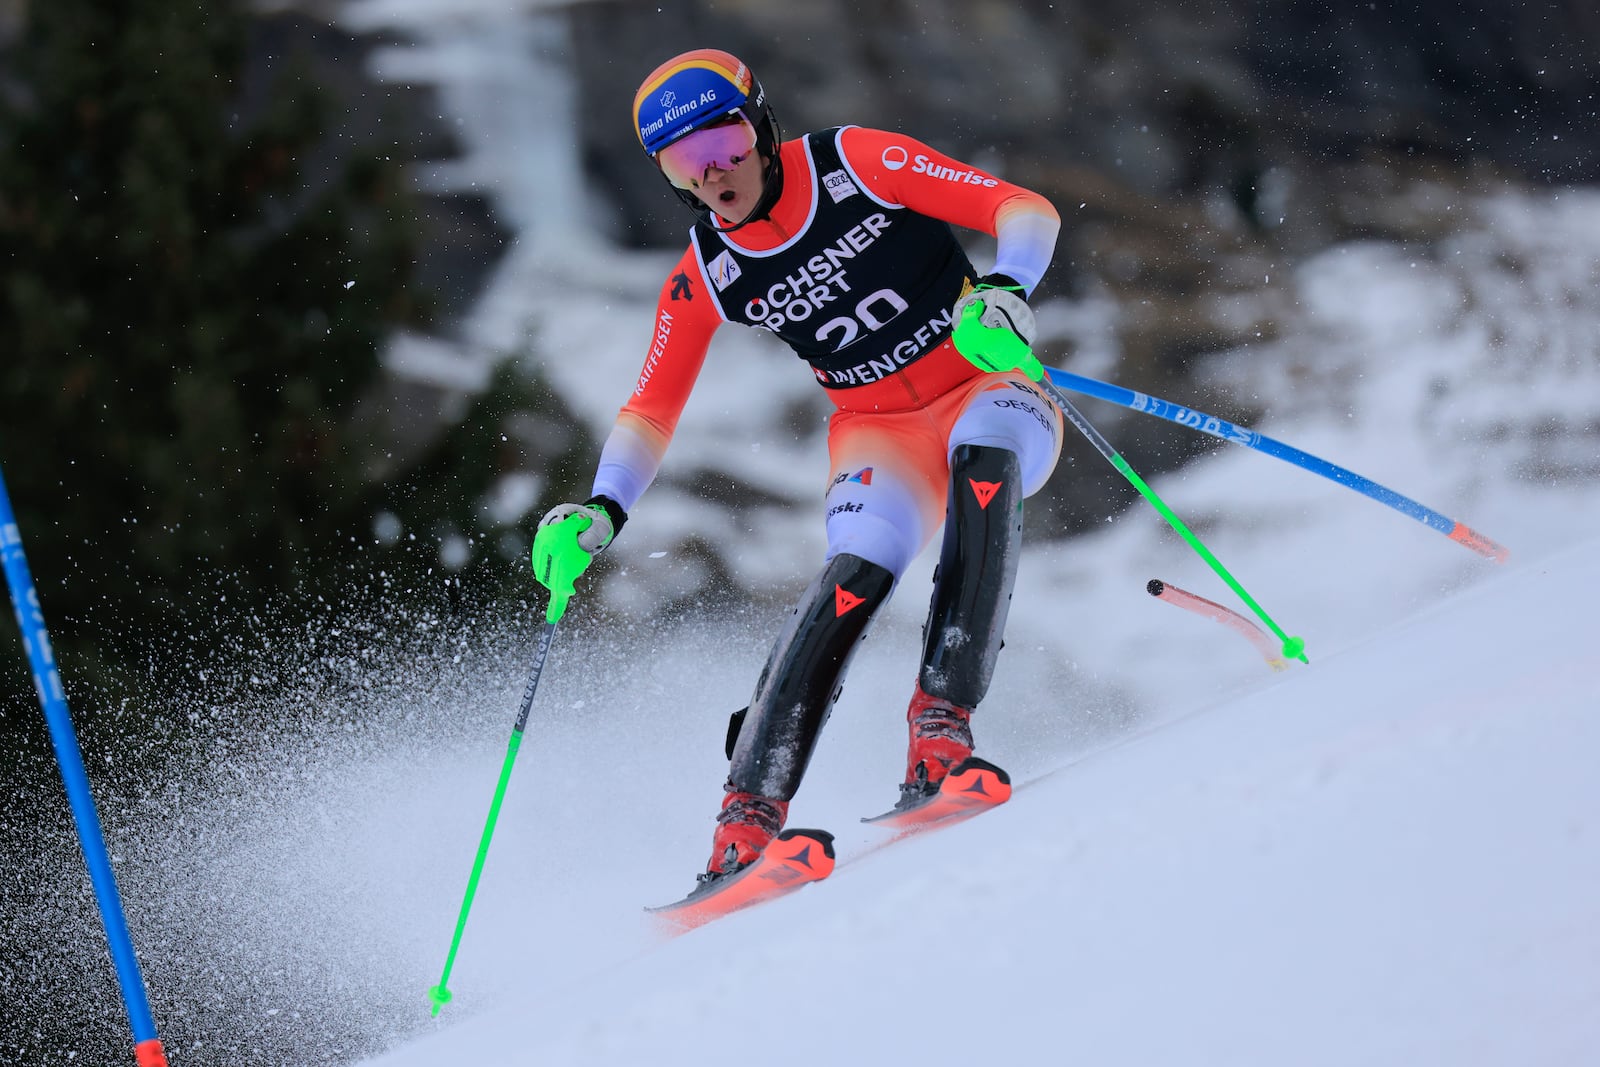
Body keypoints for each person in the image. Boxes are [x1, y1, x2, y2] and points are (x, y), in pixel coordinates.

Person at [531, 48, 1064, 885]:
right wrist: (601, 509)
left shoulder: (856, 163)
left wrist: (1006, 288)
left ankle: (940, 730)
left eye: (725, 143)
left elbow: (1022, 208)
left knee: (983, 463)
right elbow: (651, 407)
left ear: (762, 127)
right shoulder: (708, 269)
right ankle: (744, 822)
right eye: (683, 162)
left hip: (985, 382)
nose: (712, 174)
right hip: (876, 426)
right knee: (852, 576)